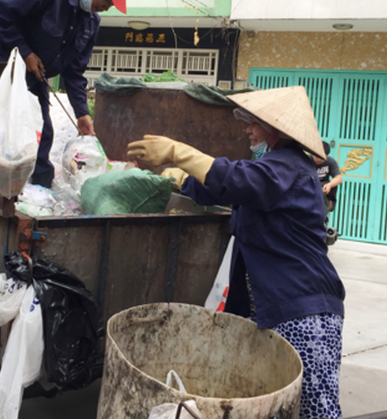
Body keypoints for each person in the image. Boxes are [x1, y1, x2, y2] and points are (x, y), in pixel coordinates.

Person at [127, 86, 346, 419]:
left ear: (275, 130)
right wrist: (177, 178)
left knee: (314, 409)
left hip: (304, 311)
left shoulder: (288, 167)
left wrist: (178, 152)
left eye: (253, 123)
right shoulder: (273, 170)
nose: (247, 129)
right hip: (277, 309)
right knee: (275, 407)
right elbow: (229, 187)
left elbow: (236, 179)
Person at [0, 0, 136, 187]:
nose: (107, 7)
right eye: (108, 0)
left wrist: (82, 113)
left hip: (35, 77)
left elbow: (74, 72)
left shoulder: (91, 23)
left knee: (42, 135)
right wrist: (25, 52)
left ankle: (38, 197)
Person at [313, 141, 343, 214]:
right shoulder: (306, 160)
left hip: (324, 188)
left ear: (327, 156)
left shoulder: (331, 162)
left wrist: (329, 185)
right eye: (317, 156)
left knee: (333, 185)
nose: (319, 159)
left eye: (322, 157)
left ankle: (327, 207)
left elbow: (339, 178)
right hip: (310, 186)